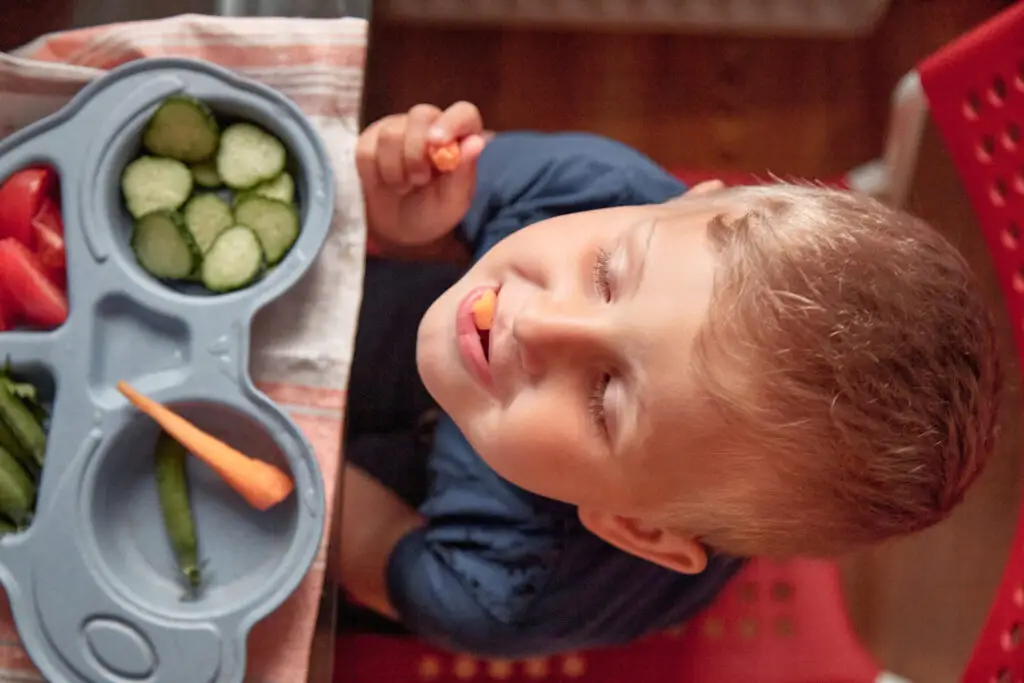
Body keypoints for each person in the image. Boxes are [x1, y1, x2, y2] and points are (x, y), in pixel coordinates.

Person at [337, 101, 1001, 658]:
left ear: (638, 527)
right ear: (685, 205)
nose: (535, 323)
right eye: (607, 274)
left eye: (605, 397)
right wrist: (406, 211)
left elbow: (361, 540)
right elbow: (425, 195)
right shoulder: (596, 189)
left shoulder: (504, 587)